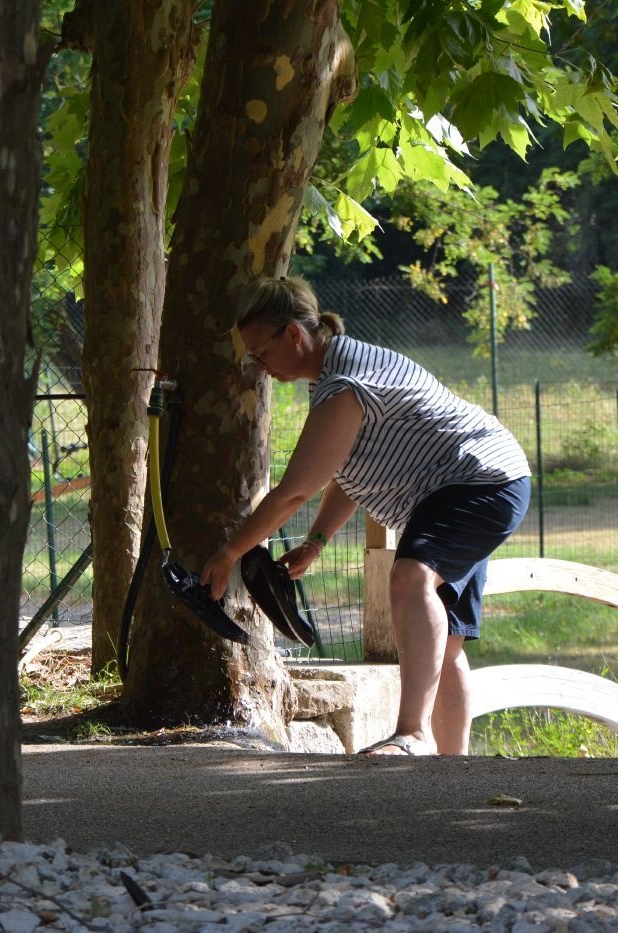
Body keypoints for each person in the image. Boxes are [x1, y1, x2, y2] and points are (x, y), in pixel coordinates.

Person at [200, 276, 531, 756]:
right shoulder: (340, 372)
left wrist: (231, 551)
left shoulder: (344, 386)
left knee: (410, 577)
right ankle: (456, 771)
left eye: (260, 352)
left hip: (478, 479)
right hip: (489, 478)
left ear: (294, 334)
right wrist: (317, 541)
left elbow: (293, 491)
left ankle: (413, 734)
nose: (258, 366)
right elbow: (345, 473)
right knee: (449, 641)